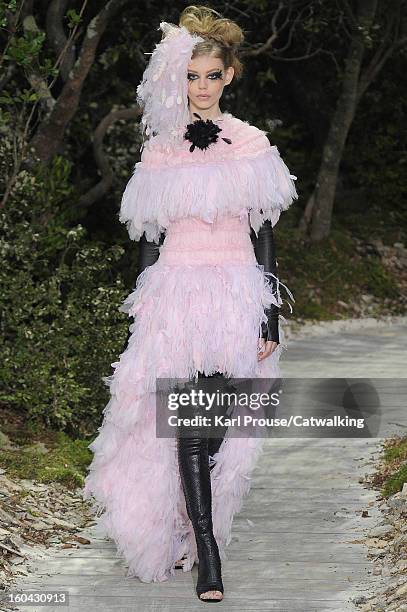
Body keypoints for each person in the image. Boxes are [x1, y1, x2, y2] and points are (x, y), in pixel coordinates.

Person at [82, 5, 298, 603]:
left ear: (229, 76)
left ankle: (193, 529)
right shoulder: (161, 152)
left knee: (223, 426)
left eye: (211, 75)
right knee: (191, 427)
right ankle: (208, 552)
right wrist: (143, 312)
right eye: (191, 76)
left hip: (236, 289)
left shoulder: (251, 144)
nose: (200, 87)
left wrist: (269, 313)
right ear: (179, 79)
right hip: (177, 291)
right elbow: (150, 238)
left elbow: (263, 235)